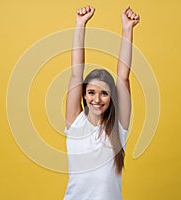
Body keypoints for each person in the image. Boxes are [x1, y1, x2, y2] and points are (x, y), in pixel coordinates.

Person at [64, 5, 140, 200]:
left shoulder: (118, 127)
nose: (97, 99)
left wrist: (127, 29)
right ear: (83, 95)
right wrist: (80, 24)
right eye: (91, 93)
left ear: (111, 97)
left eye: (104, 93)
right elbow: (76, 72)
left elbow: (123, 77)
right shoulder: (76, 122)